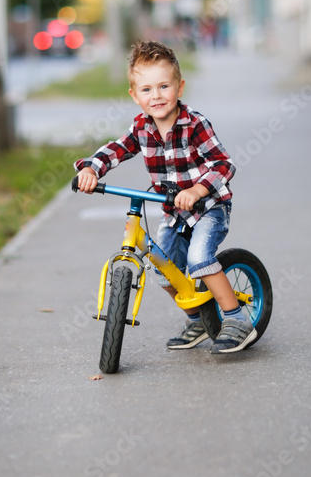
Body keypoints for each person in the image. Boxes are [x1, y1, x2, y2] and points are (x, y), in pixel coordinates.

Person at [74, 40, 255, 354]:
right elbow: (115, 150)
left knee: (199, 259)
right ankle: (197, 319)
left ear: (179, 87)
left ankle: (237, 319)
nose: (155, 96)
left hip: (209, 207)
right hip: (174, 211)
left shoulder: (195, 125)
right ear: (134, 95)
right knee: (161, 267)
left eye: (163, 86)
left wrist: (197, 190)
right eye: (146, 89)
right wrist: (91, 169)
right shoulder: (141, 128)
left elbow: (224, 164)